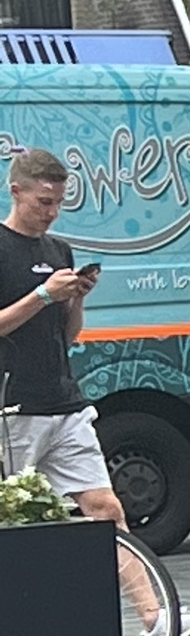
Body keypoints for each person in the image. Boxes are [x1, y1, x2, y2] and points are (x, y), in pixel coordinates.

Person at [0, 146, 124, 529]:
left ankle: (150, 592)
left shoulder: (59, 250)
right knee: (12, 519)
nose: (51, 212)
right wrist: (42, 296)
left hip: (64, 402)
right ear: (16, 191)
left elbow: (67, 335)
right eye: (43, 201)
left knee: (106, 510)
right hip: (14, 407)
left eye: (58, 203)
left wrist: (77, 299)